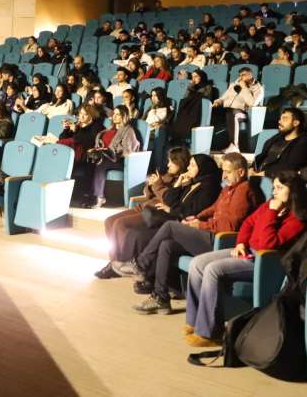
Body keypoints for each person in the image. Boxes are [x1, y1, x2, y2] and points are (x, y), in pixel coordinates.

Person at [183, 170, 307, 346]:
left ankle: (209, 333)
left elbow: (268, 244)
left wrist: (272, 213)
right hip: (248, 251)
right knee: (197, 263)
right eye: (274, 187)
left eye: (280, 188)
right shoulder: (269, 206)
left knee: (212, 270)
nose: (274, 191)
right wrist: (241, 243)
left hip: (265, 262)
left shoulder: (296, 220)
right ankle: (194, 321)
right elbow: (248, 223)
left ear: (293, 190)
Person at [131, 153, 259, 314]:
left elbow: (230, 225)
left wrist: (201, 225)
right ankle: (161, 297)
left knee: (170, 226)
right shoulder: (229, 188)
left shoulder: (243, 191)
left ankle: (142, 263)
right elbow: (214, 208)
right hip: (210, 233)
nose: (224, 176)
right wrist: (197, 217)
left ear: (241, 172)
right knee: (167, 245)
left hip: (220, 241)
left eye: (228, 172)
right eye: (223, 171)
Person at [97, 151, 221, 279]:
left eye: (172, 162)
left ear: (180, 163)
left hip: (158, 211)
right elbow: (149, 194)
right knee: (109, 221)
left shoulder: (199, 185)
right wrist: (151, 185)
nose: (168, 165)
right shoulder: (180, 179)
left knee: (122, 225)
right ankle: (115, 262)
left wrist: (162, 187)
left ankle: (119, 264)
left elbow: (169, 201)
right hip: (148, 207)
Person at [80, 105, 141, 209]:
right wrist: (98, 149)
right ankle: (89, 195)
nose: (114, 116)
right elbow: (101, 143)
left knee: (101, 164)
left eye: (118, 114)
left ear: (124, 116)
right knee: (90, 161)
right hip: (104, 156)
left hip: (118, 160)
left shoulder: (128, 130)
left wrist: (110, 151)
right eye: (114, 114)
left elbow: (128, 150)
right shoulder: (108, 130)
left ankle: (99, 198)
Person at [252, 108, 307, 177]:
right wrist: (252, 168)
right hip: (258, 173)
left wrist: (266, 173)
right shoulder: (278, 137)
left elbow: (291, 167)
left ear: (295, 123)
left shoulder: (305, 143)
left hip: (275, 178)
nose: (280, 121)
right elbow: (262, 156)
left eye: (284, 119)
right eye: (280, 119)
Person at [212, 67, 263, 152]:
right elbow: (224, 96)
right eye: (240, 75)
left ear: (250, 75)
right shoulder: (235, 84)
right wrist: (218, 102)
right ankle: (212, 144)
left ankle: (235, 146)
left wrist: (244, 88)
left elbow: (252, 103)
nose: (241, 77)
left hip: (244, 112)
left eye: (243, 75)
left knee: (233, 113)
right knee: (213, 112)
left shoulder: (258, 88)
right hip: (228, 109)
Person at [169, 70, 215, 145]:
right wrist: (190, 87)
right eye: (192, 77)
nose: (193, 79)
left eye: (196, 76)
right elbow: (185, 98)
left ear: (202, 77)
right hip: (189, 109)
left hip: (198, 109)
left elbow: (206, 99)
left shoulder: (207, 87)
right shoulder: (192, 87)